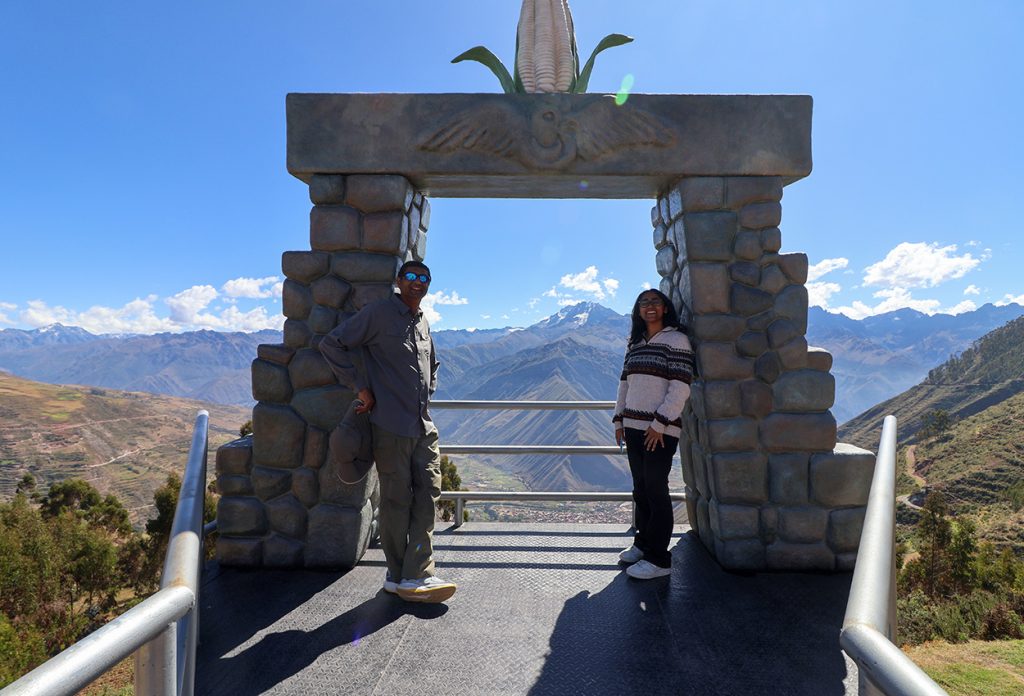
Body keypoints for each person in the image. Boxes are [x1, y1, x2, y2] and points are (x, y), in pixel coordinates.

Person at [319, 260, 456, 603]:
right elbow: (332, 344)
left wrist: (427, 392)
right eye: (410, 276)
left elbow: (432, 364)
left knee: (429, 492)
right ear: (398, 280)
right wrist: (360, 387)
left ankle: (415, 571)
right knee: (397, 502)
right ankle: (401, 574)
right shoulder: (378, 314)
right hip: (390, 425)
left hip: (422, 425)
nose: (417, 282)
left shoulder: (423, 321)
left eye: (424, 278)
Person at [612, 289, 695, 579]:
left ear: (665, 308)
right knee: (641, 489)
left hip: (659, 431)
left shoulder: (677, 341)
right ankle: (643, 544)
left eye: (655, 301)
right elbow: (624, 384)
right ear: (638, 310)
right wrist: (619, 420)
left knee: (656, 490)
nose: (649, 306)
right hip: (633, 427)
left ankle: (659, 559)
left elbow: (680, 386)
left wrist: (660, 424)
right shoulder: (635, 343)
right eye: (644, 302)